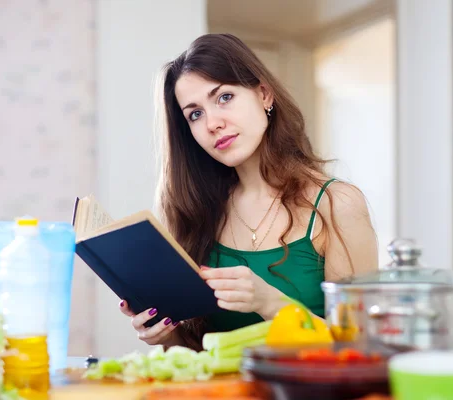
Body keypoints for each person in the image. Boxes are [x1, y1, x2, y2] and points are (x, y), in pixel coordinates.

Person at [119, 33, 379, 351]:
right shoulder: (195, 212)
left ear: (264, 95)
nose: (212, 122)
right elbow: (197, 354)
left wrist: (269, 302)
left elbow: (362, 347)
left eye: (224, 97)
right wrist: (167, 335)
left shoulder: (336, 204)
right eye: (195, 114)